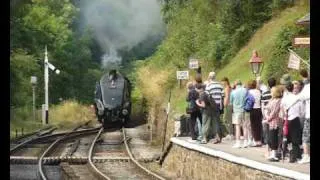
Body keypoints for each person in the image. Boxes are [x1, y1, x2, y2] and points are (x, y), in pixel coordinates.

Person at [279, 74, 303, 163]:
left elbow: (282, 110)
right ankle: (294, 157)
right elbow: (301, 111)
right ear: (293, 88)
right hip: (295, 119)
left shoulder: (284, 98)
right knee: (295, 139)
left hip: (287, 120)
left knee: (287, 138)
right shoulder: (297, 98)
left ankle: (288, 155)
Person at [262, 86, 282, 161]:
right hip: (269, 121)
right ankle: (272, 153)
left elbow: (274, 112)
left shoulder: (278, 101)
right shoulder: (271, 99)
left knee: (274, 137)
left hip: (275, 122)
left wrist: (268, 118)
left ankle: (275, 154)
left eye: (271, 92)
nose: (270, 93)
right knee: (270, 138)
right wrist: (267, 115)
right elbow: (266, 108)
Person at [204, 72, 224, 144]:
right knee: (217, 121)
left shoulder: (209, 85)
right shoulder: (220, 85)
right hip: (218, 106)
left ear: (209, 77)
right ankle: (218, 136)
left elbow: (207, 96)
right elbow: (222, 96)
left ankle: (211, 137)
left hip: (211, 106)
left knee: (210, 122)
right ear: (215, 77)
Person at [261, 78, 276, 157]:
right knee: (274, 134)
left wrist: (264, 116)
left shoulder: (265, 93)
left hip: (266, 116)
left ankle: (268, 151)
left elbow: (263, 106)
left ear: (268, 84)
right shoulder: (278, 93)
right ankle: (274, 150)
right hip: (275, 116)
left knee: (267, 133)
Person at [230, 80, 247, 148]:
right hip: (244, 110)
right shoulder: (245, 90)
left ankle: (238, 142)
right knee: (244, 126)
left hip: (236, 111)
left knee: (237, 127)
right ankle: (245, 142)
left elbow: (231, 102)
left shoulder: (233, 92)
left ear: (235, 84)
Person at [248, 80, 263, 147]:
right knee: (258, 125)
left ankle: (255, 140)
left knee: (253, 126)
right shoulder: (259, 91)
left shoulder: (249, 92)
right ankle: (259, 140)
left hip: (252, 109)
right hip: (259, 109)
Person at [297, 82, 310, 164]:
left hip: (309, 116)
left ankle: (306, 156)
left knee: (305, 137)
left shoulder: (307, 87)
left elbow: (300, 97)